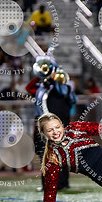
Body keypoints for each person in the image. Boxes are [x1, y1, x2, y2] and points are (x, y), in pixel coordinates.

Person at [27, 56, 77, 191]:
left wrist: (55, 79)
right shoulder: (42, 88)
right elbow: (29, 88)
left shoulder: (63, 87)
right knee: (45, 154)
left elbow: (70, 97)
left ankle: (61, 183)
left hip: (58, 126)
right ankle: (47, 184)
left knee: (60, 154)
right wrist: (42, 76)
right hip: (44, 126)